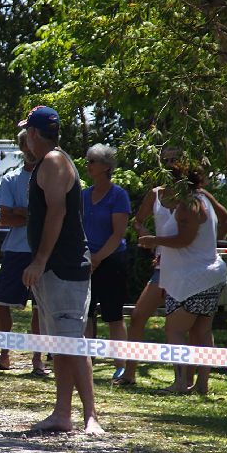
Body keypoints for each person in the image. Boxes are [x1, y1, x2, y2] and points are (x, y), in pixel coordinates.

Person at [19, 106, 104, 435]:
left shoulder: (54, 161)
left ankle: (90, 417)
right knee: (61, 345)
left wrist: (40, 260)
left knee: (72, 342)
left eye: (28, 131)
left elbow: (57, 212)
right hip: (55, 268)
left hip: (64, 266)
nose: (25, 137)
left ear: (35, 134)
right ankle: (62, 413)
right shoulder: (48, 162)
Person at [120, 148, 227, 386]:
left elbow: (189, 237)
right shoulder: (157, 194)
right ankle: (130, 374)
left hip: (188, 272)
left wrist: (201, 245)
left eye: (174, 161)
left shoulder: (194, 200)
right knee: (140, 316)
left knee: (179, 329)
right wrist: (147, 236)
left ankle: (184, 382)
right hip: (171, 268)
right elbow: (138, 222)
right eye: (166, 161)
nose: (170, 165)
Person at [0, 128, 46, 376]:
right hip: (16, 250)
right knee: (2, 301)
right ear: (22, 149)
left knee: (40, 306)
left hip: (43, 250)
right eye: (26, 145)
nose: (30, 150)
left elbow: (51, 216)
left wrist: (22, 212)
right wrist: (29, 215)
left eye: (33, 144)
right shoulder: (11, 179)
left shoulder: (50, 177)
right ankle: (5, 355)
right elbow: (5, 217)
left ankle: (37, 360)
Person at [80, 144, 131, 380]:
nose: (88, 165)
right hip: (85, 261)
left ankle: (121, 366)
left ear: (106, 167)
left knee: (113, 314)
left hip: (111, 261)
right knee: (86, 314)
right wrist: (87, 257)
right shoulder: (82, 195)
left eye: (93, 161)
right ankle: (87, 363)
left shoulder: (118, 195)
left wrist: (98, 258)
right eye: (88, 160)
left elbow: (118, 233)